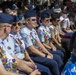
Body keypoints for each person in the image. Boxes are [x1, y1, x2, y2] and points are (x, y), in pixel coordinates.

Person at [20, 10, 62, 75]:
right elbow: (32, 49)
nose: (35, 21)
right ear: (27, 21)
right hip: (32, 55)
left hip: (38, 52)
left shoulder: (33, 30)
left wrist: (48, 53)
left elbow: (39, 43)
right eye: (33, 20)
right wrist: (45, 55)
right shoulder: (24, 31)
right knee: (53, 63)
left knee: (57, 57)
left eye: (35, 20)